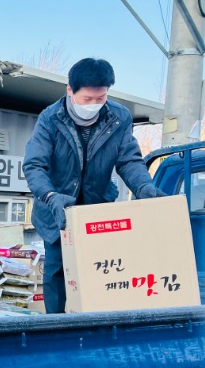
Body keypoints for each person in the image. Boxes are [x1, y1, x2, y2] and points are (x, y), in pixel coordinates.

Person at [23, 58, 166, 314]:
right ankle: (57, 328)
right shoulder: (50, 118)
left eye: (100, 98)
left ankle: (96, 326)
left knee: (101, 268)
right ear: (70, 90)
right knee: (57, 270)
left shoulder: (118, 117)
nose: (95, 105)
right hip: (56, 209)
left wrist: (144, 187)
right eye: (88, 99)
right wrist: (50, 195)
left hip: (96, 208)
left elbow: (129, 160)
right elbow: (35, 165)